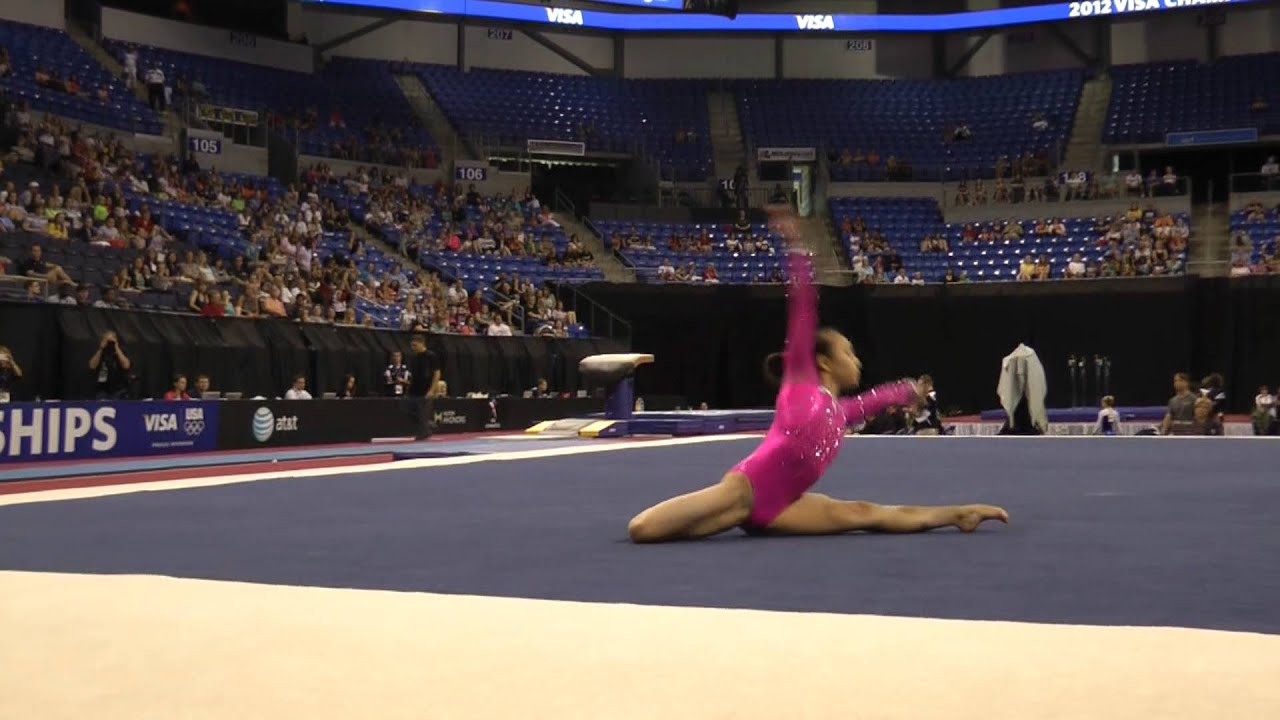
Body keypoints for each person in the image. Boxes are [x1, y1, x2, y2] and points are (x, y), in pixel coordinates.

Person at [627, 246, 1008, 543]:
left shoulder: (840, 411)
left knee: (864, 512)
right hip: (747, 488)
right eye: (848, 353)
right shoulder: (800, 388)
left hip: (786, 507)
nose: (856, 361)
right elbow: (804, 314)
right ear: (823, 362)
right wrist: (799, 255)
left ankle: (959, 514)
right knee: (642, 529)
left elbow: (880, 397)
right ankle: (732, 514)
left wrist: (912, 390)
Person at [407, 334, 442, 440]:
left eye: (415, 345)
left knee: (423, 412)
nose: (413, 348)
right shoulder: (414, 357)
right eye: (412, 346)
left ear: (422, 344)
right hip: (414, 389)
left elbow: (437, 373)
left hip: (426, 389)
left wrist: (432, 389)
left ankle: (423, 433)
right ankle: (428, 426)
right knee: (410, 410)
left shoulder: (431, 356)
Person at [88, 331, 131, 399]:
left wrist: (116, 347)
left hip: (119, 389)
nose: (109, 343)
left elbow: (126, 366)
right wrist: (101, 349)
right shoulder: (99, 351)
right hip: (102, 390)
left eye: (112, 340)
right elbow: (92, 366)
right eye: (107, 340)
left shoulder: (122, 351)